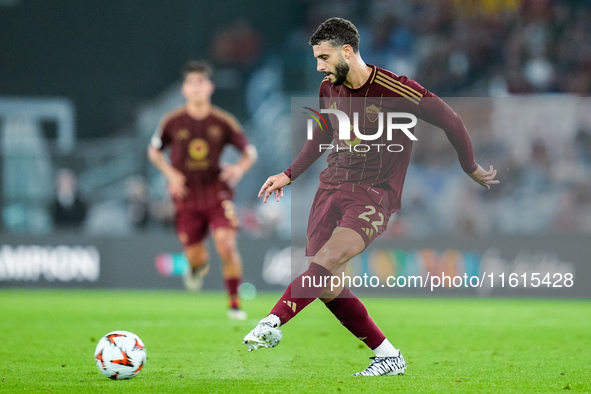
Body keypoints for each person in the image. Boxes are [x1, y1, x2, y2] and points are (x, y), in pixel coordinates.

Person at [243, 18, 499, 376]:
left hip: (373, 195)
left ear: (347, 51)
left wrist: (469, 166)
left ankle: (272, 320)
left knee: (329, 259)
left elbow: (451, 120)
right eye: (316, 58)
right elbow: (321, 135)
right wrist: (288, 174)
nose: (319, 66)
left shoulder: (396, 89)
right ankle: (388, 355)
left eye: (325, 57)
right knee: (327, 284)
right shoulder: (327, 88)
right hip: (329, 190)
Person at [149, 61, 257, 320]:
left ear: (210, 87)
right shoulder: (173, 122)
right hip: (186, 196)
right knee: (196, 257)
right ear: (184, 89)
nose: (196, 88)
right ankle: (195, 269)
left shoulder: (222, 121)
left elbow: (250, 151)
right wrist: (171, 173)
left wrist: (240, 168)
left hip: (216, 192)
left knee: (226, 244)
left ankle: (234, 304)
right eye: (191, 83)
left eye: (200, 83)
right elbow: (154, 150)